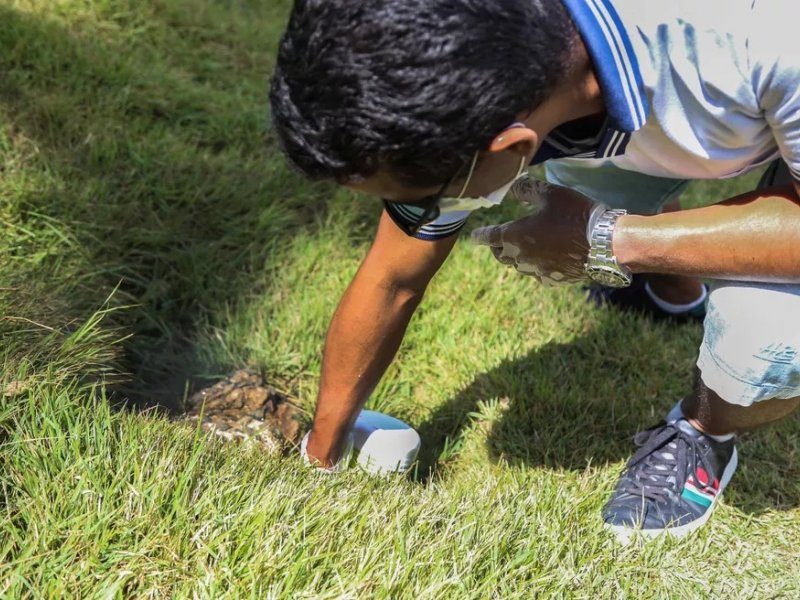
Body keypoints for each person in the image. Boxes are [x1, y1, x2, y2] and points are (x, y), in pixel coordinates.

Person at [269, 0, 800, 540]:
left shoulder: (770, 42)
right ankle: (673, 290)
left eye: (424, 198)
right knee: (581, 183)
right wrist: (323, 452)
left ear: (513, 144)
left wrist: (608, 241)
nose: (420, 211)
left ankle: (703, 431)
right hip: (691, 109)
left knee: (766, 338)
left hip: (767, 104)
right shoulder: (506, 63)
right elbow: (393, 279)